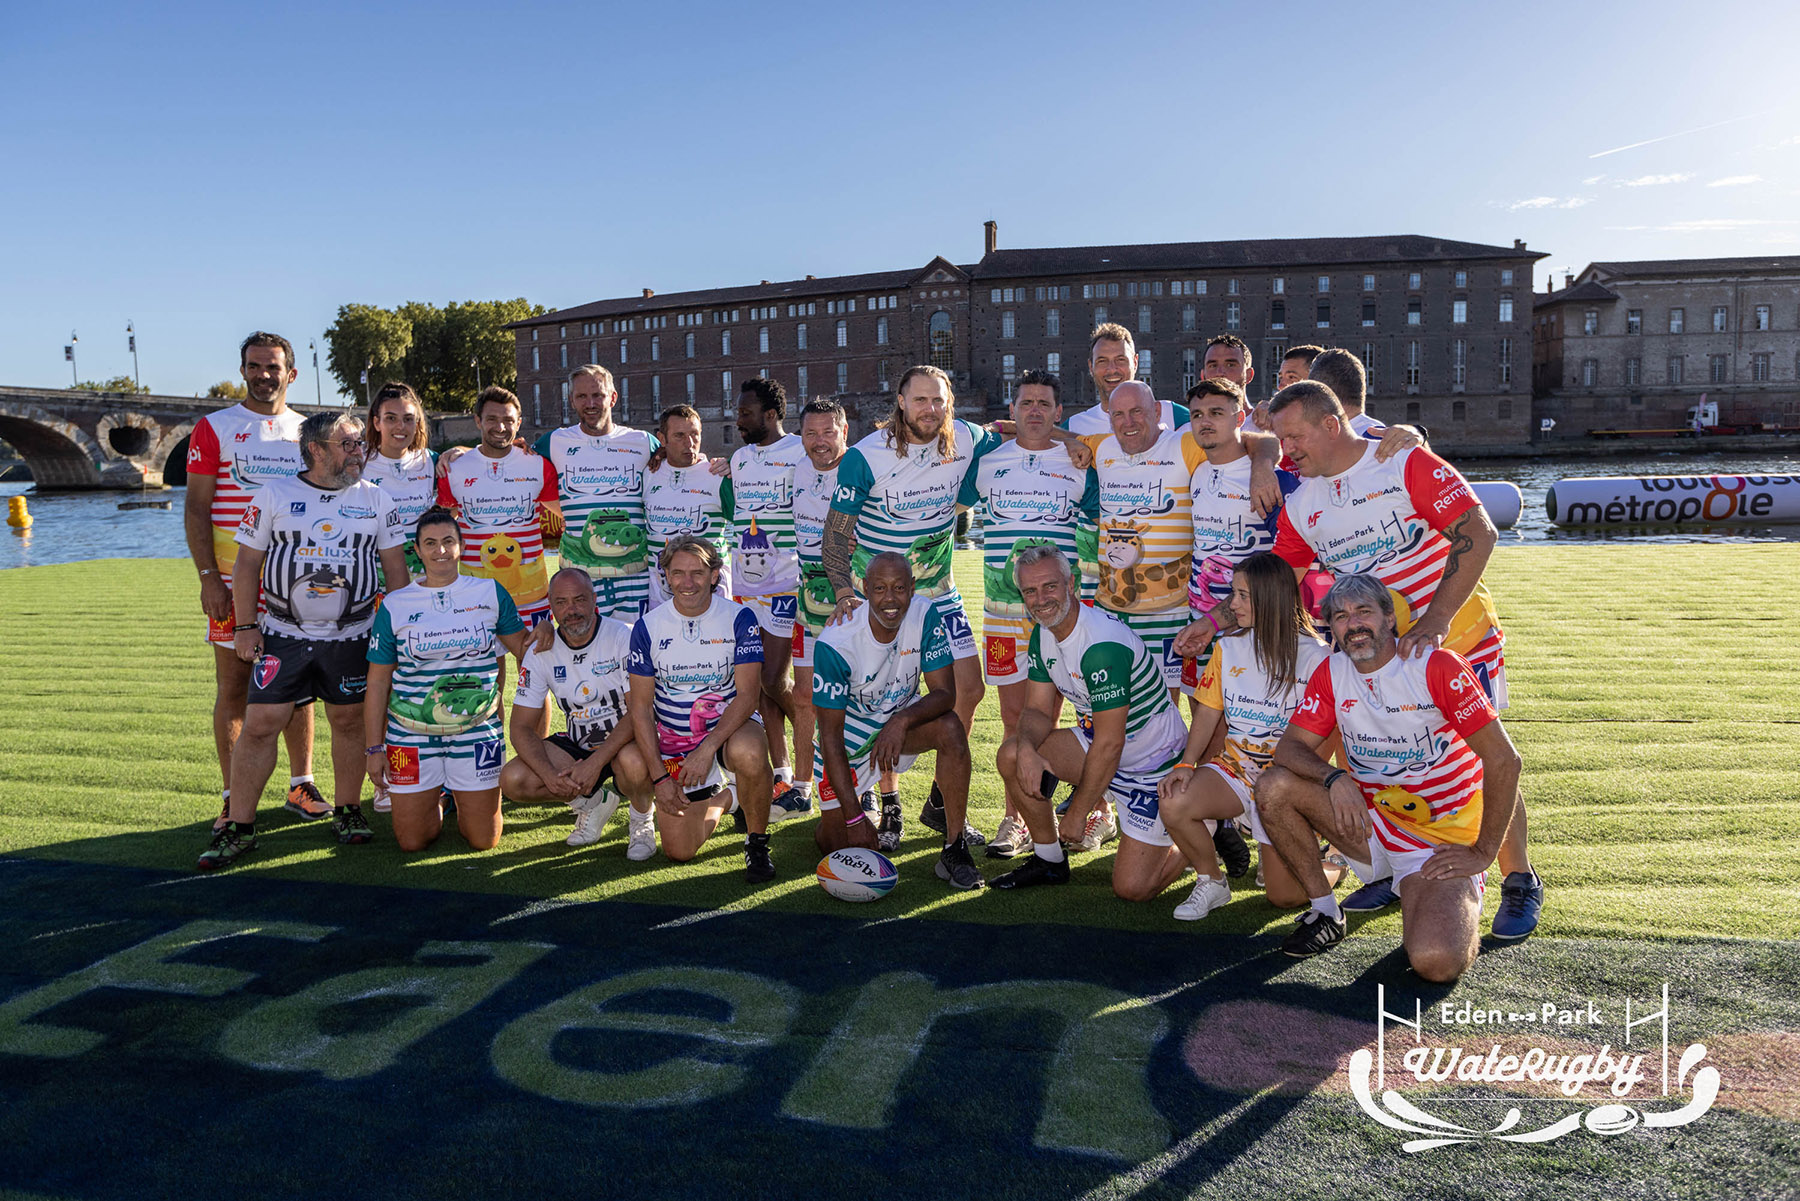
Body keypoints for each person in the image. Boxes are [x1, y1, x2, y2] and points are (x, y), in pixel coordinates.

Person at [1268, 380, 1543, 938]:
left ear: (1330, 424)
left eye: (1293, 437)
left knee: (1480, 754)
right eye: (1280, 440)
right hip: (1376, 647)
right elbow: (1278, 581)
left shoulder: (1400, 460)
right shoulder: (1302, 503)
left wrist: (1436, 619)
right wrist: (1216, 624)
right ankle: (1396, 862)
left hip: (1457, 634)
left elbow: (1478, 531)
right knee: (1368, 743)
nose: (1285, 451)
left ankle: (1517, 876)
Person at [1255, 574, 1523, 980]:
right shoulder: (1333, 671)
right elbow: (1289, 748)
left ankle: (1438, 890)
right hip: (1372, 823)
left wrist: (1483, 852)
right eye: (1341, 616)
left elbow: (1504, 761)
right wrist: (1334, 778)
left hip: (1439, 844)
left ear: (1389, 618)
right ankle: (1326, 913)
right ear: (1332, 629)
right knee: (1273, 787)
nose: (1353, 624)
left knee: (1435, 961)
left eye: (1364, 612)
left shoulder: (1436, 666)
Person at [197, 412, 409, 868]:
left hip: (353, 635)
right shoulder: (273, 494)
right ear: (315, 449)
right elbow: (247, 565)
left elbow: (395, 570)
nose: (359, 451)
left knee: (349, 721)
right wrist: (245, 626)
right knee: (261, 723)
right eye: (347, 444)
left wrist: (398, 632)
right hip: (283, 634)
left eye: (360, 443)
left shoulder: (377, 499)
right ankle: (240, 826)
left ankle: (348, 811)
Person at [822, 365, 1001, 850]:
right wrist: (844, 593)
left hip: (939, 591)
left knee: (969, 689)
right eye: (920, 399)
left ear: (950, 402)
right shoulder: (865, 456)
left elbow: (1017, 434)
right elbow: (835, 535)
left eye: (939, 400)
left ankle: (941, 801)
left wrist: (1069, 441)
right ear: (900, 402)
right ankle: (886, 799)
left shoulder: (968, 439)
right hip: (881, 598)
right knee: (884, 697)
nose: (930, 409)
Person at [991, 546, 1190, 900]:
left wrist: (1079, 812)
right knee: (1012, 755)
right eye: (1030, 591)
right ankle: (1049, 860)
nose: (1041, 599)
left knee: (1133, 889)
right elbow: (1037, 711)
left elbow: (1111, 743)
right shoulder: (1044, 632)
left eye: (1050, 587)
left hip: (1152, 766)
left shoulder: (1101, 645)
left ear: (1071, 584)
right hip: (1103, 745)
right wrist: (1026, 749)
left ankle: (1203, 829)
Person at [183, 331, 320, 829]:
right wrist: (208, 579)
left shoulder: (308, 431)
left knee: (300, 686)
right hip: (232, 582)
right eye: (254, 366)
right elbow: (196, 509)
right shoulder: (214, 427)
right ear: (242, 371)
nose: (264, 375)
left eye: (273, 367)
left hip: (298, 585)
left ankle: (301, 784)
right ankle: (231, 794)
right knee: (235, 687)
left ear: (291, 373)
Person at [959, 368, 1094, 856]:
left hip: (1061, 615)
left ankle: (1090, 810)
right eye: (1026, 402)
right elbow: (944, 506)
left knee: (1070, 712)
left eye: (1044, 403)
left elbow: (1102, 528)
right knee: (1015, 716)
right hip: (1003, 612)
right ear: (1013, 409)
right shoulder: (988, 462)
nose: (1034, 410)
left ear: (1059, 413)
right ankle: (1016, 819)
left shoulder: (1080, 460)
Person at [1158, 553, 1333, 919]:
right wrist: (1187, 764)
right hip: (1235, 770)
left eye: (1241, 596)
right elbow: (1208, 713)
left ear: (1271, 598)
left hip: (1285, 783)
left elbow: (1330, 733)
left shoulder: (1318, 657)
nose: (1231, 605)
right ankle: (1211, 880)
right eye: (1233, 593)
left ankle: (1330, 867)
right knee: (1174, 798)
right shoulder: (1228, 647)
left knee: (1283, 897)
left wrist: (1304, 785)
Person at [364, 507, 531, 853]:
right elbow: (378, 683)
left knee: (483, 840)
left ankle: (457, 793)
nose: (440, 550)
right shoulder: (395, 604)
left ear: (461, 546)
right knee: (413, 842)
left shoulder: (489, 592)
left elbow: (525, 651)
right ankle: (442, 796)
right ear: (417, 549)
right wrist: (374, 749)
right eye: (430, 543)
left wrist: (544, 630)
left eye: (448, 541)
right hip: (410, 734)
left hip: (476, 731)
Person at [812, 553, 979, 888]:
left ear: (912, 588)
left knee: (950, 727)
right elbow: (830, 737)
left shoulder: (924, 613)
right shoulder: (835, 642)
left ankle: (955, 846)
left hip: (901, 726)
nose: (890, 599)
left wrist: (900, 721)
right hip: (851, 743)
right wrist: (853, 818)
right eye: (880, 589)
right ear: (864, 589)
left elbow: (945, 694)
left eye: (899, 588)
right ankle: (854, 807)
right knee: (837, 845)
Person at [627, 535, 777, 882]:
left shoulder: (739, 617)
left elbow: (748, 696)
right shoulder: (647, 627)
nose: (688, 582)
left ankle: (756, 844)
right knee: (679, 851)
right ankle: (730, 797)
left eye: (697, 572)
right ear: (665, 576)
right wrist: (659, 779)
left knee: (750, 751)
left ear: (714, 575)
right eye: (678, 573)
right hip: (675, 741)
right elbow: (641, 708)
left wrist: (707, 749)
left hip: (727, 730)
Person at [499, 568, 657, 859]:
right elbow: (520, 728)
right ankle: (593, 804)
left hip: (627, 738)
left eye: (579, 600)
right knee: (514, 779)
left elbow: (639, 710)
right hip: (580, 743)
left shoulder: (623, 636)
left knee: (633, 762)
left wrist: (596, 763)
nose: (571, 610)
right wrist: (549, 775)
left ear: (594, 599)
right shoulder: (540, 650)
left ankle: (641, 820)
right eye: (561, 602)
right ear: (551, 605)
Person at [730, 377, 809, 820]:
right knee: (757, 685)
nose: (738, 420)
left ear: (772, 414)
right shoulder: (739, 459)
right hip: (745, 585)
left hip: (785, 582)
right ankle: (782, 773)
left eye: (746, 413)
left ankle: (816, 750)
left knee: (774, 680)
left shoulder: (800, 450)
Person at [787, 398, 861, 829]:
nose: (820, 442)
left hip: (852, 599)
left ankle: (865, 792)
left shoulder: (860, 468)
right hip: (808, 598)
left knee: (858, 698)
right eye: (811, 433)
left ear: (844, 431)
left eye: (828, 432)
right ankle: (801, 788)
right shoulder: (796, 468)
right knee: (803, 696)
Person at [535, 365, 659, 621]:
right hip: (580, 578)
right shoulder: (554, 441)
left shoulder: (643, 442)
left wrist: (710, 462)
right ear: (571, 400)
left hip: (634, 576)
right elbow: (510, 458)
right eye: (581, 396)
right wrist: (459, 452)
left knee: (636, 642)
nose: (590, 403)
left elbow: (681, 464)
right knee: (585, 643)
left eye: (598, 395)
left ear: (613, 397)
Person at [434, 386, 560, 625]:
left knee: (537, 649)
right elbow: (440, 529)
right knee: (486, 652)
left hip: (532, 596)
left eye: (508, 420)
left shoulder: (538, 465)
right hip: (476, 595)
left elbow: (569, 515)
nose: (501, 427)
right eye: (491, 419)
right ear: (478, 421)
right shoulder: (453, 469)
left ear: (519, 423)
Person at [643, 404, 734, 606]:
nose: (690, 443)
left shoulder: (718, 475)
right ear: (662, 439)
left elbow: (748, 524)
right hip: (661, 601)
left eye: (694, 434)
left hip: (713, 599)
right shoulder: (648, 474)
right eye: (679, 436)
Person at [360, 382, 438, 579]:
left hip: (422, 574)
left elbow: (474, 460)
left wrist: (457, 450)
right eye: (391, 418)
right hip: (373, 574)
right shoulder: (357, 461)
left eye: (408, 419)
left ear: (417, 424)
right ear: (377, 423)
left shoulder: (431, 461)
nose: (400, 426)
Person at [1067, 323, 1189, 434]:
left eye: (1120, 360)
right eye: (1102, 361)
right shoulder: (1073, 428)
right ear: (1091, 367)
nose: (1112, 369)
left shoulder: (1173, 416)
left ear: (1135, 363)